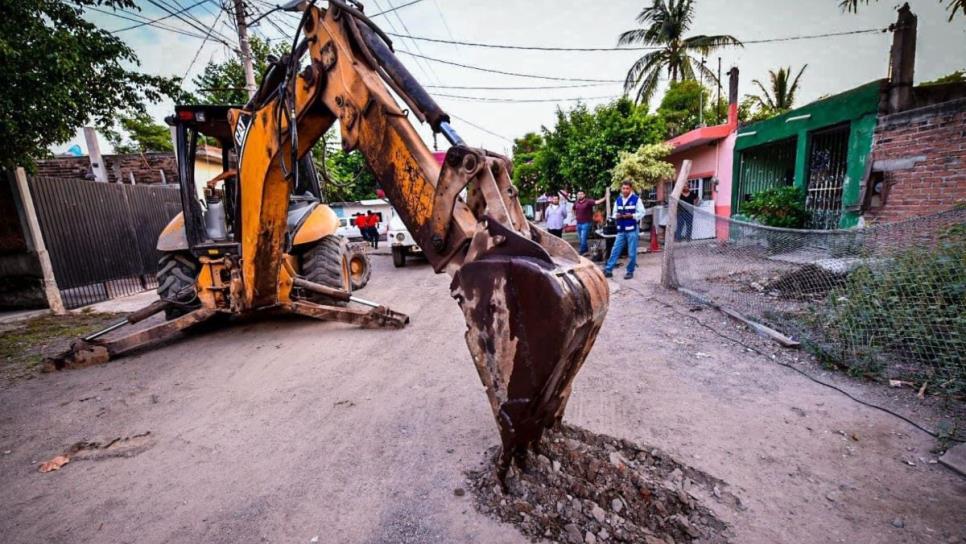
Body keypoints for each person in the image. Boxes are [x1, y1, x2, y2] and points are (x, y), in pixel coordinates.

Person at [604, 180, 645, 280]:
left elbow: (642, 212)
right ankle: (608, 270)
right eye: (623, 188)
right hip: (621, 230)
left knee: (631, 252)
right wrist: (616, 216)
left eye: (627, 188)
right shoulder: (618, 200)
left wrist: (632, 215)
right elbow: (614, 213)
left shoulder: (636, 199)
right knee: (615, 250)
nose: (625, 190)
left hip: (632, 230)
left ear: (630, 189)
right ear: (621, 189)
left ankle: (630, 271)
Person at [572, 190, 607, 255]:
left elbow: (597, 202)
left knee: (583, 238)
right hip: (578, 223)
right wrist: (574, 216)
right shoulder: (576, 202)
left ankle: (582, 251)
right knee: (580, 239)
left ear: (584, 195)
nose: (580, 195)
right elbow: (573, 208)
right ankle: (585, 251)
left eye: (581, 194)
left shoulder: (588, 201)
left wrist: (605, 198)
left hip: (586, 223)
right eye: (578, 194)